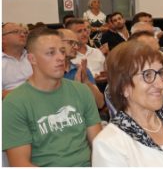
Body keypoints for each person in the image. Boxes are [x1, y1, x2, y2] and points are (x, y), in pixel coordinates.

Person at [91, 41, 163, 166]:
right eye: (147, 75)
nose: (161, 84)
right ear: (124, 87)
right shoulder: (109, 143)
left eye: (161, 73)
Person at [1, 27, 103, 166]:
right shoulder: (15, 103)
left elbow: (99, 145)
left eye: (62, 51)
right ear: (32, 59)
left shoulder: (81, 91)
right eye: (50, 53)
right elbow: (20, 164)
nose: (61, 57)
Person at [57, 28, 104, 109]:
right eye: (71, 42)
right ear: (56, 43)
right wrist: (76, 87)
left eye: (76, 43)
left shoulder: (81, 69)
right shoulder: (49, 73)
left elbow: (100, 104)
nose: (76, 47)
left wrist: (86, 81)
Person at [2, 23, 32, 96]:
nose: (22, 35)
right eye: (15, 32)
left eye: (24, 32)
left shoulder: (34, 57)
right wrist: (27, 91)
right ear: (2, 38)